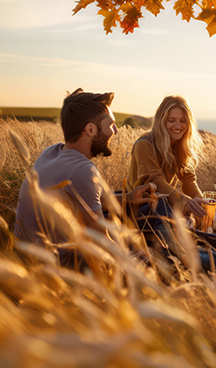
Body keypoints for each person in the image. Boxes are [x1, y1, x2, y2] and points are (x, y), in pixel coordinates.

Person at [14, 88, 158, 268]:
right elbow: (100, 240)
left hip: (27, 254)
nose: (115, 131)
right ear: (91, 129)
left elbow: (88, 201)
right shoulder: (83, 170)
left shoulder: (52, 152)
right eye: (111, 125)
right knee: (143, 247)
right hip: (57, 265)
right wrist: (143, 266)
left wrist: (129, 197)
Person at [126, 95, 213, 219]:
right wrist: (185, 201)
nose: (178, 126)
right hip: (139, 210)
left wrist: (201, 203)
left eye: (182, 121)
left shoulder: (179, 145)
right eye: (171, 120)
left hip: (162, 205)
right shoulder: (144, 144)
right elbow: (156, 181)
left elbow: (188, 179)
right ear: (161, 121)